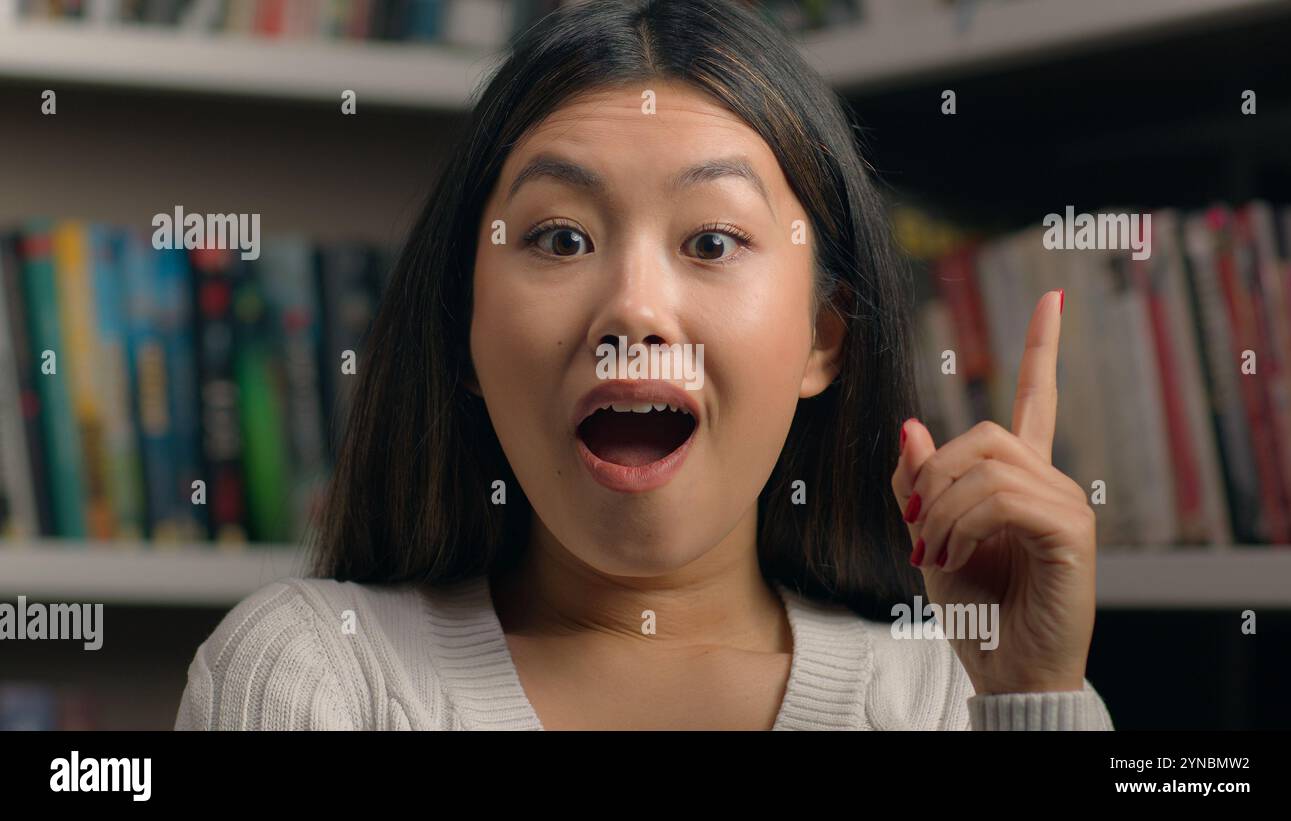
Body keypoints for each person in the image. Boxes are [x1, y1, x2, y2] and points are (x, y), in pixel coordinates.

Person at [175, 0, 1113, 731]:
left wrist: (1031, 696)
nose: (631, 305)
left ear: (824, 338)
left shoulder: (952, 699)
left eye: (710, 239)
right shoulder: (313, 674)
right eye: (558, 236)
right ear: (465, 327)